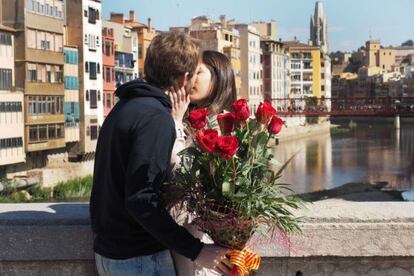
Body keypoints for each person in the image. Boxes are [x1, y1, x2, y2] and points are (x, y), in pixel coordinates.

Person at [90, 32, 230, 276]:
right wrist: (196, 250)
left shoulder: (125, 106)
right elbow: (141, 198)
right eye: (194, 73)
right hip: (139, 258)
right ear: (183, 78)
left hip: (112, 251)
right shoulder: (156, 118)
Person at [167, 50, 238, 276]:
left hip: (203, 234)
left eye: (198, 72)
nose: (189, 79)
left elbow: (182, 171)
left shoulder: (223, 125)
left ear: (217, 79)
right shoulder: (193, 117)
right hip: (186, 231)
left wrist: (176, 124)